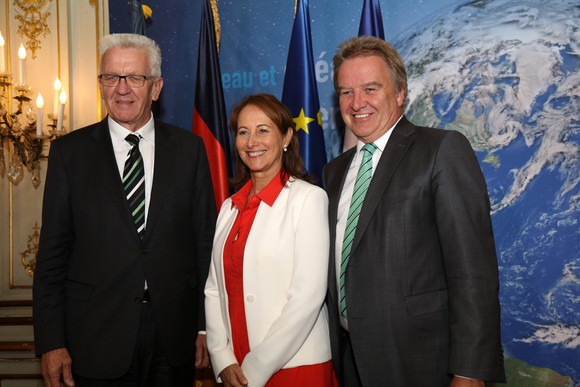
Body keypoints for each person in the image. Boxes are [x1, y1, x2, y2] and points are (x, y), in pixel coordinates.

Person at [32, 33, 217, 386]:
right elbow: (52, 258)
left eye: (135, 78)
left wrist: (205, 326)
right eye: (111, 77)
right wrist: (52, 342)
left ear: (156, 87)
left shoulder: (189, 151)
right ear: (100, 85)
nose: (122, 89)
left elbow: (205, 245)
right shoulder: (69, 154)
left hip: (174, 339)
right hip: (95, 339)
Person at [323, 36, 506, 386]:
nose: (356, 102)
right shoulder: (334, 172)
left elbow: (473, 273)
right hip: (350, 363)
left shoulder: (440, 150)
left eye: (370, 88)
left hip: (423, 363)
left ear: (400, 93)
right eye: (346, 92)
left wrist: (469, 373)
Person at [205, 93, 337, 387]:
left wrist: (257, 366)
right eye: (243, 132)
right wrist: (221, 356)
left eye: (263, 130)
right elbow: (214, 289)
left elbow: (307, 298)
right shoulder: (229, 208)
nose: (252, 142)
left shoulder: (308, 199)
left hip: (294, 366)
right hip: (234, 366)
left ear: (286, 136)